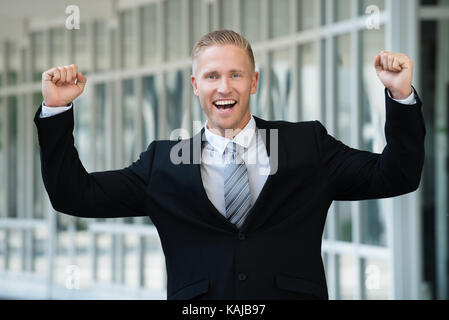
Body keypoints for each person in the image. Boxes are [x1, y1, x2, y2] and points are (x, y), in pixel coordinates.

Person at [34, 30, 425, 300]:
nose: (224, 87)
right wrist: (56, 109)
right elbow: (75, 196)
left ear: (253, 82)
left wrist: (401, 95)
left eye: (235, 74)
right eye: (212, 76)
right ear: (195, 85)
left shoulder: (307, 145)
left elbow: (396, 175)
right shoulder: (163, 164)